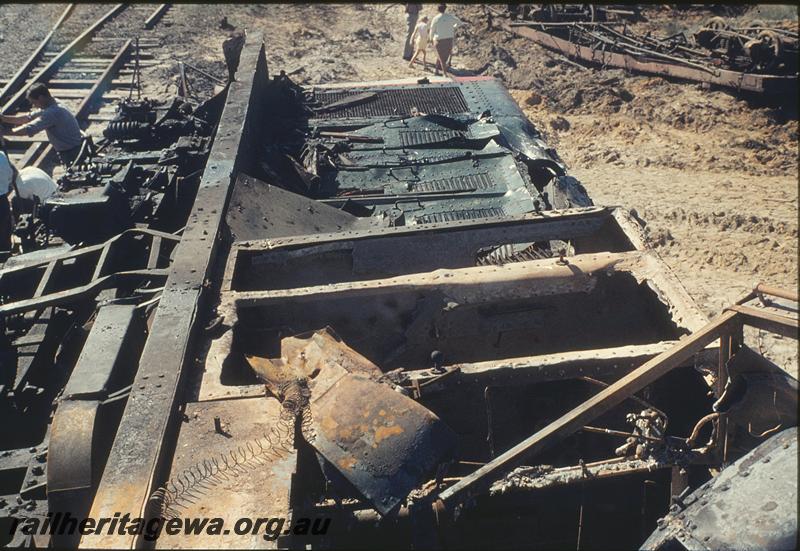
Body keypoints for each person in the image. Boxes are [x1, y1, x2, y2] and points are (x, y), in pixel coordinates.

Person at [0, 83, 83, 168]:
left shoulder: (53, 112)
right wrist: (3, 118)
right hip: (73, 149)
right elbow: (27, 118)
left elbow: (29, 129)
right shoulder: (53, 103)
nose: (33, 105)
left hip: (71, 153)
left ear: (41, 98)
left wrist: (4, 132)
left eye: (34, 102)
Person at [429, 4, 464, 77]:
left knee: (441, 57)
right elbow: (460, 23)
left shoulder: (436, 18)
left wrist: (430, 38)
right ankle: (439, 71)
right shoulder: (450, 17)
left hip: (439, 39)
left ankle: (443, 73)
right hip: (449, 39)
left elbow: (432, 29)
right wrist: (454, 27)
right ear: (445, 8)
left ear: (438, 9)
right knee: (443, 57)